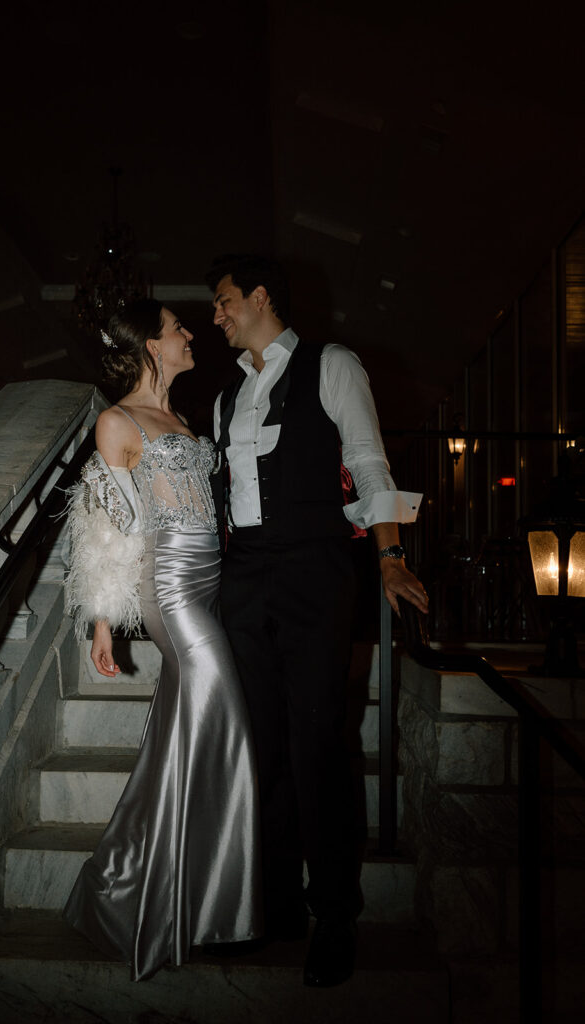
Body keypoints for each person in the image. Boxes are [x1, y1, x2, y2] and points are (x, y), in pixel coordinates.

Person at [206, 254, 429, 988]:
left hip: (314, 574)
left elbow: (369, 462)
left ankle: (333, 912)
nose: (218, 315)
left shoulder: (332, 364)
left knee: (318, 745)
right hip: (242, 583)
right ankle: (273, 910)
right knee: (261, 748)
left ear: (262, 297)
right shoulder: (223, 394)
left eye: (226, 301)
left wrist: (390, 557)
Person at [63, 299, 261, 980]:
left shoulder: (182, 416)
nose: (189, 334)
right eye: (177, 327)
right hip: (171, 591)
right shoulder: (115, 420)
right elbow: (107, 529)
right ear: (149, 344)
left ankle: (154, 889)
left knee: (186, 738)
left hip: (211, 584)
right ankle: (210, 905)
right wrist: (100, 626)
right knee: (225, 722)